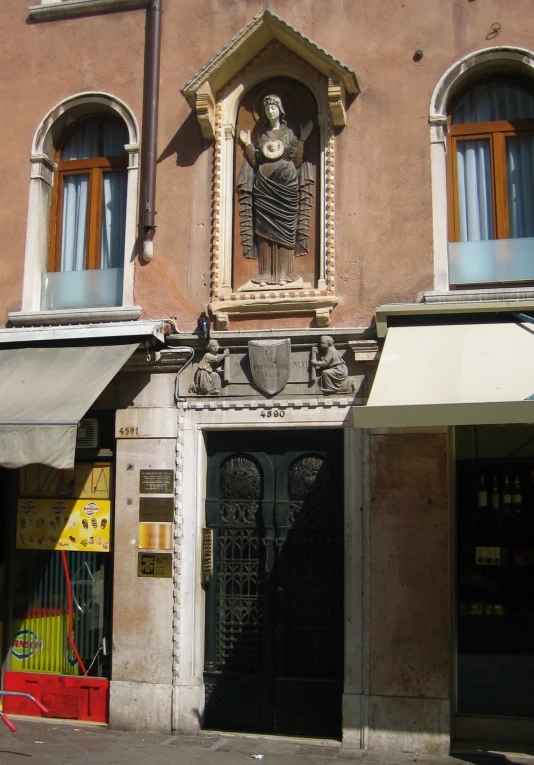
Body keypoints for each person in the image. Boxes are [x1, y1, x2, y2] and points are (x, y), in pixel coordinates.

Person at [238, 94, 314, 286]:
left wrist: (303, 138)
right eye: (267, 108)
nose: (270, 111)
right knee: (264, 229)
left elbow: (296, 160)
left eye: (273, 107)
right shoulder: (261, 135)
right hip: (264, 186)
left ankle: (284, 274)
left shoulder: (290, 133)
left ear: (280, 110)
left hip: (286, 185)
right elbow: (256, 161)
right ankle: (265, 274)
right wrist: (247, 144)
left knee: (286, 228)